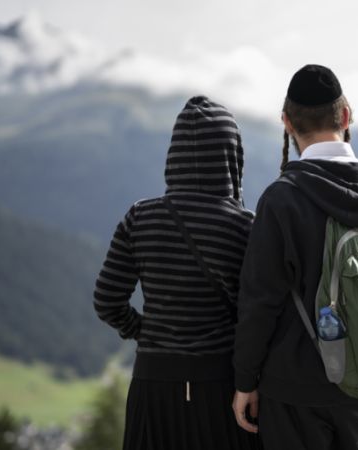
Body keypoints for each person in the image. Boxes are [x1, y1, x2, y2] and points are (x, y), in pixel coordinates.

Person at [232, 65, 358, 450]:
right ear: (346, 115)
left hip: (293, 391)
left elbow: (260, 303)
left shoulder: (281, 200)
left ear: (287, 123)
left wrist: (245, 381)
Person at [94, 95, 261, 450]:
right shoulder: (245, 227)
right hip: (224, 386)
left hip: (153, 384)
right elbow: (258, 314)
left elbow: (106, 301)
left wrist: (146, 332)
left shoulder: (140, 217)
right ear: (232, 157)